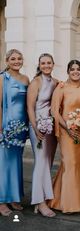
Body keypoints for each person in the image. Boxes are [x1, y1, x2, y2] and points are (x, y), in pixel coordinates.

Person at [48, 60, 80, 213]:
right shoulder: (61, 87)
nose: (75, 71)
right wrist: (68, 129)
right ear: (68, 71)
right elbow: (55, 111)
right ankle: (69, 204)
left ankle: (77, 199)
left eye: (78, 69)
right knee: (70, 164)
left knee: (79, 165)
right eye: (72, 69)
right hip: (66, 132)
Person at [27, 53, 58, 217]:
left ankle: (46, 196)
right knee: (41, 162)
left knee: (48, 162)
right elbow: (30, 108)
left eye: (49, 63)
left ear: (53, 64)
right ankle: (40, 202)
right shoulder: (36, 82)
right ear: (39, 65)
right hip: (38, 126)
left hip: (50, 127)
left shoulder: (55, 82)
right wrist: (35, 128)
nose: (46, 65)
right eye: (43, 63)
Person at [0, 49, 29, 216]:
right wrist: (0, 126)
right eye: (13, 59)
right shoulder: (3, 78)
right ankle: (2, 200)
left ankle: (13, 197)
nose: (16, 61)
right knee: (4, 163)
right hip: (6, 125)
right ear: (7, 60)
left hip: (21, 126)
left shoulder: (26, 79)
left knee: (16, 162)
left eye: (19, 58)